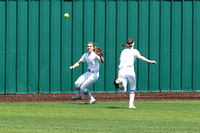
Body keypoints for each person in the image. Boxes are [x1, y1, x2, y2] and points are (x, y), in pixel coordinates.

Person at [117, 39, 156, 109]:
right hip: (130, 69)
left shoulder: (123, 51)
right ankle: (130, 104)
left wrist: (118, 74)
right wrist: (150, 61)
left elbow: (120, 63)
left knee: (123, 90)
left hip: (121, 70)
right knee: (132, 87)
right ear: (133, 44)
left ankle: (121, 83)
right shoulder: (134, 51)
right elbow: (140, 57)